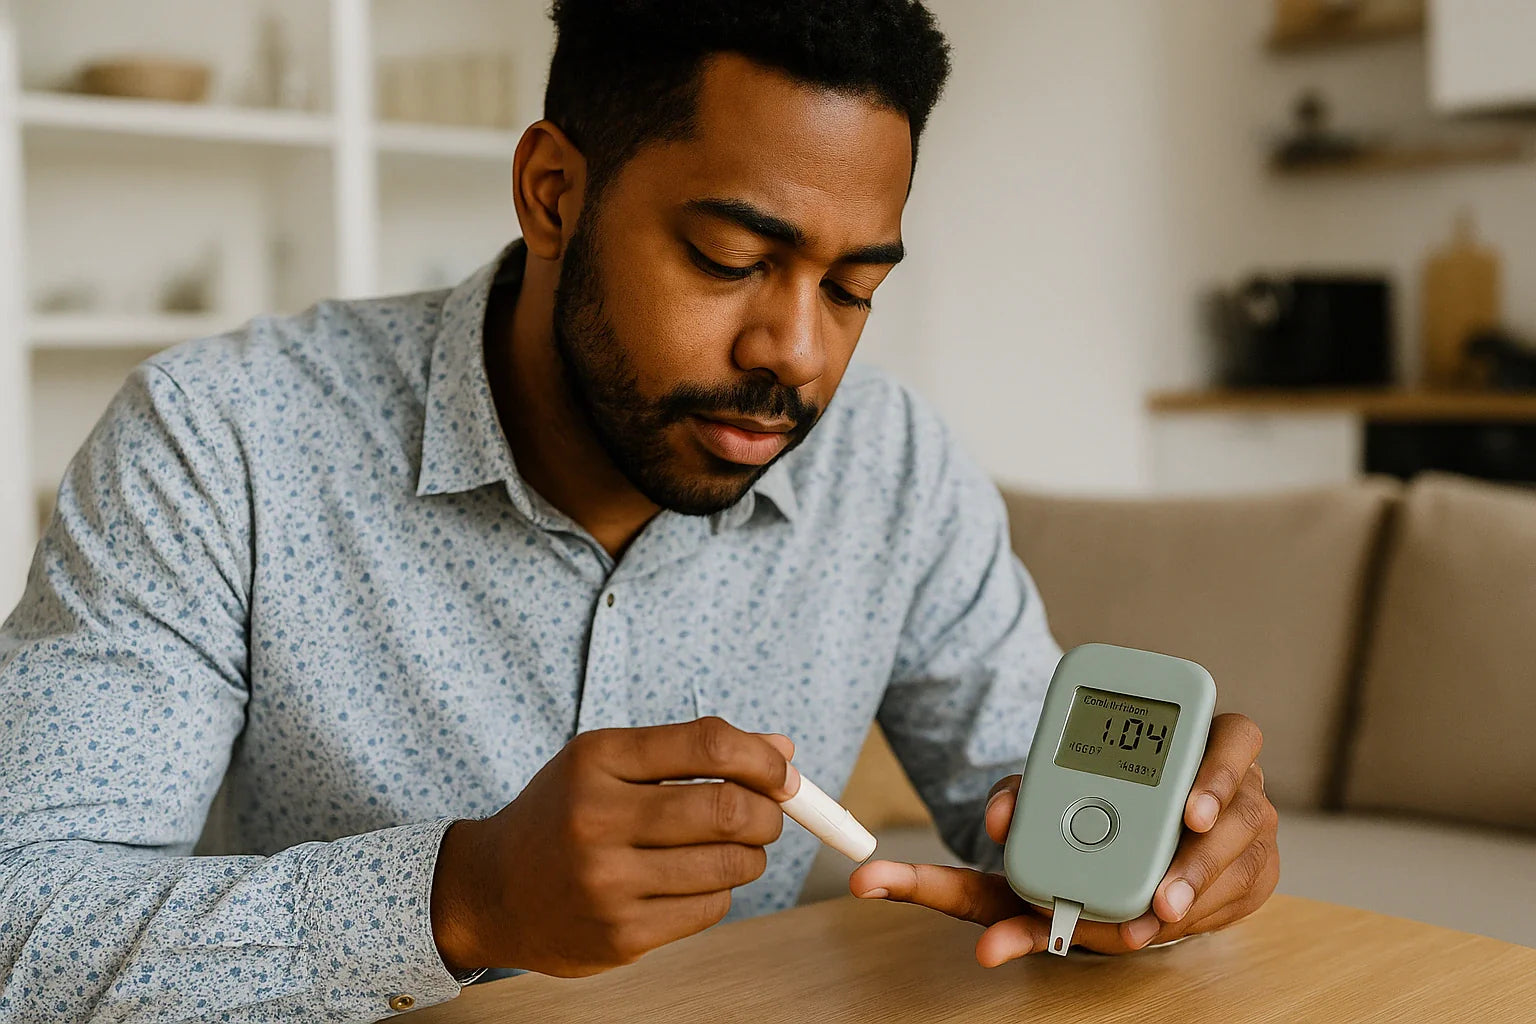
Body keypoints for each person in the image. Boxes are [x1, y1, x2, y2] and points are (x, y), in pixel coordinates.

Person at [0, 2, 1278, 1020]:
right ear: (553, 191)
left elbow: (1022, 799)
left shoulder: (892, 467)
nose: (798, 351)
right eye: (731, 260)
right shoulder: (220, 441)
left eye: (853, 287)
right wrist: (458, 900)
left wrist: (1163, 860)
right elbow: (23, 929)